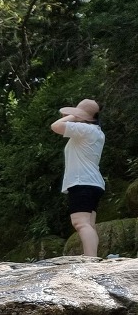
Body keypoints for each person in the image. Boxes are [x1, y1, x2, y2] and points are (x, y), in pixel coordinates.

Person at [50, 98, 105, 258]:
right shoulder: (95, 131)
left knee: (80, 223)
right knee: (88, 224)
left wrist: (74, 116)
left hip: (82, 182)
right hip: (92, 183)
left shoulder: (85, 129)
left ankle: (90, 260)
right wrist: (77, 116)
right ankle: (92, 257)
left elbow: (56, 126)